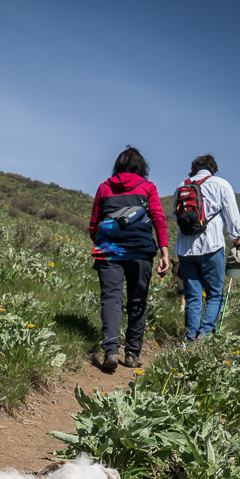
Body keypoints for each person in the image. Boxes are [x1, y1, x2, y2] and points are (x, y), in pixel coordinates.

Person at [90, 146, 169, 372]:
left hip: (108, 250)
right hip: (140, 250)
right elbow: (158, 219)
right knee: (137, 300)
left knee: (111, 299)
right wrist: (164, 251)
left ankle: (111, 351)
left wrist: (102, 242)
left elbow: (94, 223)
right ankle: (133, 353)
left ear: (118, 166)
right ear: (142, 167)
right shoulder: (147, 187)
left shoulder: (104, 188)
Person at [172, 155, 240, 343]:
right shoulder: (221, 184)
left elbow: (174, 215)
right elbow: (233, 218)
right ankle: (204, 336)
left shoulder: (181, 186)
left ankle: (190, 340)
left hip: (185, 248)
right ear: (213, 168)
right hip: (212, 245)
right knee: (214, 295)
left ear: (194, 168)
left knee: (192, 296)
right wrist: (237, 240)